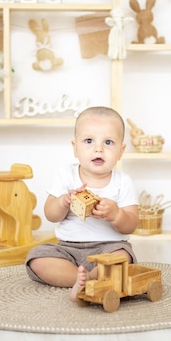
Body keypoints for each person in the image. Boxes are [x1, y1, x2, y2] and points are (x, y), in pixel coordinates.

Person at [25, 106, 139, 301]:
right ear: (75, 147)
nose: (98, 148)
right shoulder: (66, 175)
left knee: (123, 257)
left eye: (108, 142)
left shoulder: (122, 182)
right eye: (88, 141)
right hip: (67, 249)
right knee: (37, 258)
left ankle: (90, 278)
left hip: (108, 248)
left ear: (121, 151)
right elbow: (50, 214)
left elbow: (132, 224)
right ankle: (80, 279)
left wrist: (117, 214)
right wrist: (63, 201)